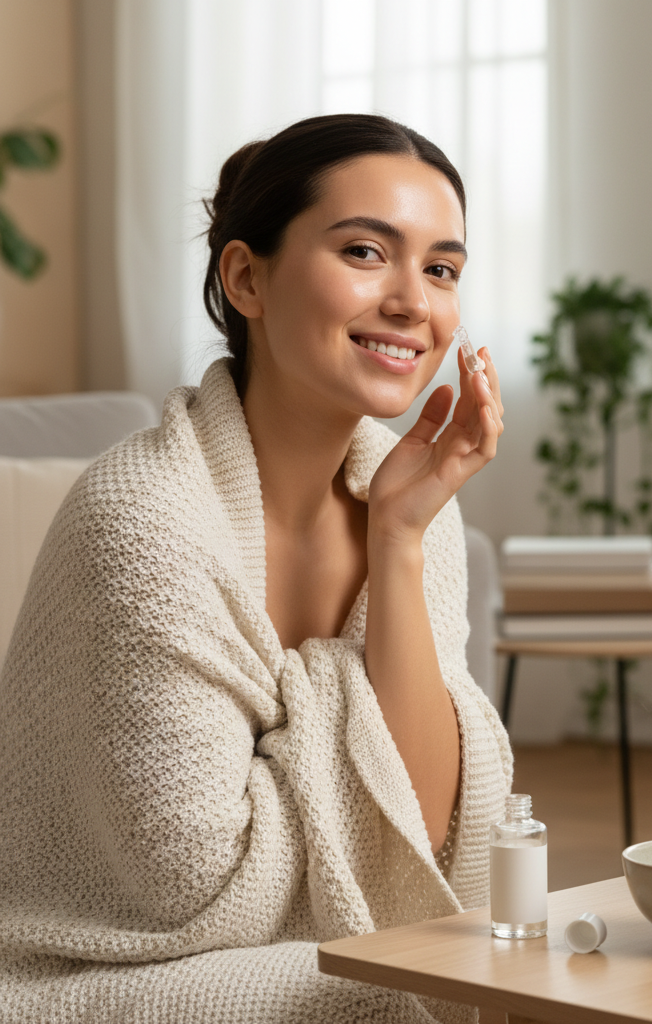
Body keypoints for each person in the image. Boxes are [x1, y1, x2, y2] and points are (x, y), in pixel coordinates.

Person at [0, 114, 512, 1023]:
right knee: (389, 999)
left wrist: (396, 538)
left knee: (489, 977)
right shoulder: (143, 523)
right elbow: (188, 889)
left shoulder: (414, 509)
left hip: (302, 947)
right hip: (83, 968)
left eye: (441, 269)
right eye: (366, 252)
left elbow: (429, 833)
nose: (412, 302)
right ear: (247, 277)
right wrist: (339, 764)